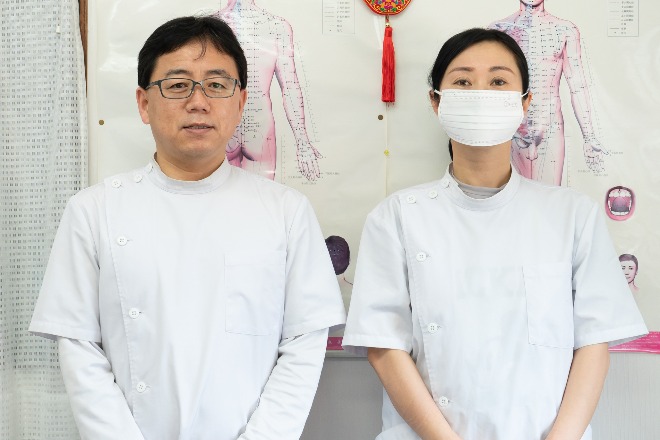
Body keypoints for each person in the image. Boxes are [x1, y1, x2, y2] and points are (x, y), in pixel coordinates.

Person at [29, 16, 345, 440]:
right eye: (178, 85)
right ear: (144, 103)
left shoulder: (287, 212)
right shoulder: (93, 211)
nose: (199, 101)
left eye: (217, 85)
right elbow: (79, 349)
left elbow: (304, 345)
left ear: (240, 102)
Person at [342, 28, 647, 440]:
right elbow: (384, 347)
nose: (481, 93)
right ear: (436, 100)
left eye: (499, 81)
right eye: (463, 81)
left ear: (525, 101)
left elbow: (595, 342)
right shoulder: (397, 217)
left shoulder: (573, 215)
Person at [489, 0, 607, 184]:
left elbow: (577, 85)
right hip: (510, 130)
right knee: (510, 198)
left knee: (551, 197)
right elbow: (490, 86)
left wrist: (589, 136)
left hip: (549, 129)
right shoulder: (498, 29)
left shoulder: (565, 30)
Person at [215, 0, 321, 181]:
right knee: (260, 195)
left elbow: (290, 86)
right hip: (257, 129)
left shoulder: (210, 26)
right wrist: (302, 144)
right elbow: (290, 86)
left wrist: (303, 143)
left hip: (224, 125)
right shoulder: (277, 26)